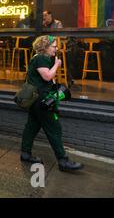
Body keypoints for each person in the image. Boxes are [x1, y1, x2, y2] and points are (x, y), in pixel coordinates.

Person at [20, 36, 84, 172]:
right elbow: (47, 76)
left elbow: (47, 80)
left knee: (31, 126)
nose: (56, 48)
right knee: (54, 129)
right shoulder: (41, 58)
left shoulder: (38, 58)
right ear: (45, 46)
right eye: (54, 46)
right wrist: (57, 64)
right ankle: (63, 161)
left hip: (35, 99)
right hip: (42, 100)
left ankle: (25, 153)